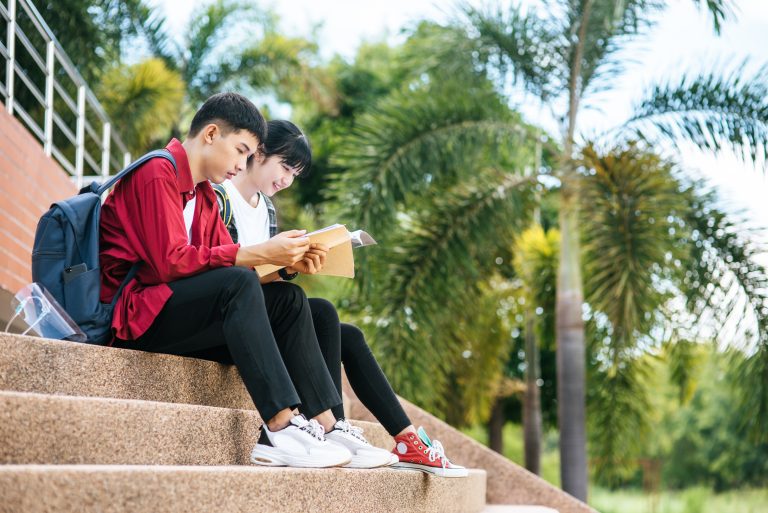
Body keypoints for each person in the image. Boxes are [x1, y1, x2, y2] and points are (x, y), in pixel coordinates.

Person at [99, 92, 355, 469]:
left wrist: (288, 265)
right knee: (236, 282)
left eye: (247, 155)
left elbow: (234, 263)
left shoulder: (201, 195)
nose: (241, 164)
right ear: (211, 134)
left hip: (175, 316)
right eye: (240, 150)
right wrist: (263, 251)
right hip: (136, 319)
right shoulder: (157, 172)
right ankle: (280, 427)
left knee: (289, 300)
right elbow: (171, 262)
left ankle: (327, 425)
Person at [213, 119, 468, 477]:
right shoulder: (220, 196)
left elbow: (261, 276)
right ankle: (331, 428)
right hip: (230, 316)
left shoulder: (266, 208)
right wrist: (281, 268)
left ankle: (383, 435)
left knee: (328, 316)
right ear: (259, 152)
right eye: (285, 167)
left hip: (256, 305)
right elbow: (225, 275)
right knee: (297, 301)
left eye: (295, 174)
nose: (287, 180)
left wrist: (291, 265)